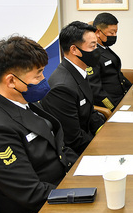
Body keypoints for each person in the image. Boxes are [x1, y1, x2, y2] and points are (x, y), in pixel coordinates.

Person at [0, 35, 78, 213]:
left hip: (62, 186)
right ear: (11, 81)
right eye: (38, 75)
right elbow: (30, 194)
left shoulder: (23, 102)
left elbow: (57, 146)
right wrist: (83, 194)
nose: (44, 79)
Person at [42, 21, 107, 155]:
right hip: (76, 152)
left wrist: (105, 133)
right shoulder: (62, 87)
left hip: (89, 139)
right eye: (93, 46)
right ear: (74, 49)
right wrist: (104, 149)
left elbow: (90, 111)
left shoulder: (79, 70)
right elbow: (73, 139)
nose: (97, 50)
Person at [88, 12, 133, 111]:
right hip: (112, 105)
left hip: (123, 99)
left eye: (116, 32)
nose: (114, 36)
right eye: (111, 33)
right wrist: (112, 108)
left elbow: (117, 74)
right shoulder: (92, 54)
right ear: (98, 32)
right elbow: (96, 91)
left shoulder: (104, 47)